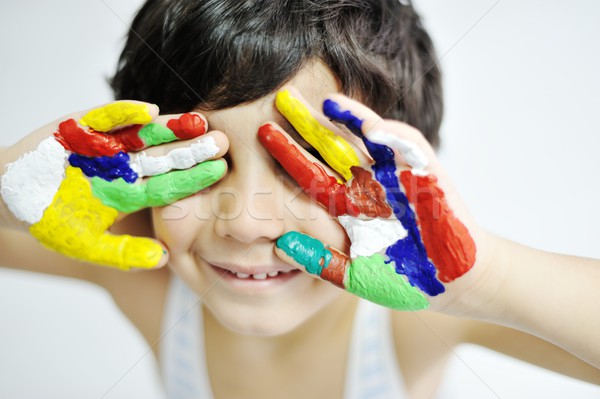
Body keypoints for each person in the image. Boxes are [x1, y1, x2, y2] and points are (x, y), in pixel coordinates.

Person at [0, 0, 599, 398]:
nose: (247, 222)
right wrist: (10, 192)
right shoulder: (142, 269)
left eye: (307, 170)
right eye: (199, 163)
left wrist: (483, 282)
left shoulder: (416, 320)